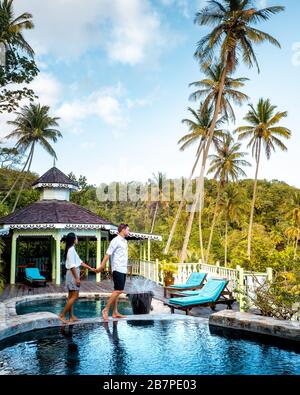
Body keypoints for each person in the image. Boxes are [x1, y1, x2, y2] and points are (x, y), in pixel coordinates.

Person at [59, 232, 96, 324]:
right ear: (73, 240)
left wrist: (90, 268)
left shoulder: (72, 249)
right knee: (75, 296)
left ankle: (71, 316)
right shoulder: (71, 250)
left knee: (71, 296)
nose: (77, 239)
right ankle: (62, 315)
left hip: (72, 275)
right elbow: (72, 266)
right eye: (76, 238)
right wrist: (77, 278)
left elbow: (80, 262)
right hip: (72, 275)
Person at [96, 223, 129, 321]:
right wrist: (102, 266)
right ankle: (105, 309)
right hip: (117, 268)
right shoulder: (115, 241)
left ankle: (115, 312)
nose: (129, 231)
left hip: (123, 269)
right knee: (119, 290)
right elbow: (108, 254)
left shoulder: (125, 242)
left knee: (117, 290)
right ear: (122, 230)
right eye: (128, 230)